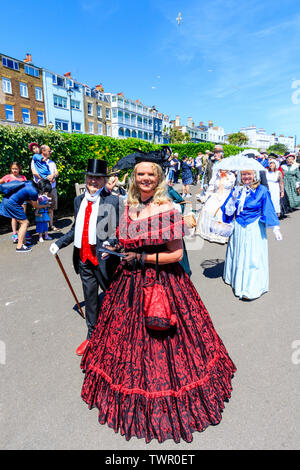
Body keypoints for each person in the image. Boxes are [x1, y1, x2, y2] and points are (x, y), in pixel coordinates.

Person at [80, 159, 236, 443]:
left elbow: (175, 255)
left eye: (151, 174)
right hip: (127, 285)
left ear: (159, 177)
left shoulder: (167, 209)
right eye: (141, 174)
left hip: (163, 283)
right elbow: (125, 237)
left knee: (165, 342)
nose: (145, 178)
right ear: (133, 177)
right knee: (124, 342)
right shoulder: (127, 206)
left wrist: (140, 258)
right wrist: (115, 247)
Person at [49, 159, 120, 356]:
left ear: (104, 180)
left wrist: (111, 243)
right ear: (86, 178)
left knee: (114, 297)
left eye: (98, 178)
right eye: (90, 177)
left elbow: (117, 231)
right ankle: (92, 336)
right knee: (90, 299)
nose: (93, 181)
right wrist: (59, 243)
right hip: (84, 259)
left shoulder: (112, 200)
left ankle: (120, 333)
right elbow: (75, 230)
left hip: (105, 260)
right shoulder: (78, 201)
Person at [221, 169, 282, 300]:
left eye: (249, 174)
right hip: (238, 226)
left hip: (254, 227)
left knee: (252, 257)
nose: (246, 177)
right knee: (238, 253)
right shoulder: (237, 189)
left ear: (254, 175)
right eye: (243, 174)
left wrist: (275, 228)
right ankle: (236, 280)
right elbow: (228, 210)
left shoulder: (262, 190)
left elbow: (268, 209)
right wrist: (232, 199)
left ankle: (251, 288)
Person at [0, 179, 52, 253]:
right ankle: (19, 246)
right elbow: (35, 206)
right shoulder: (34, 192)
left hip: (8, 200)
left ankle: (23, 242)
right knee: (25, 223)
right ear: (43, 189)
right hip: (12, 203)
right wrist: (45, 205)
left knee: (23, 222)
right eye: (45, 191)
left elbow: (25, 197)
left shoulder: (30, 183)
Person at [196, 169, 236, 244]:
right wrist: (205, 196)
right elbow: (211, 188)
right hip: (215, 195)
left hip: (226, 197)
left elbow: (233, 188)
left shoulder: (231, 176)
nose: (222, 170)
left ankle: (222, 234)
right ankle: (208, 233)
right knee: (207, 209)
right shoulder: (216, 175)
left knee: (221, 212)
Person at [31, 144, 59, 231]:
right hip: (42, 188)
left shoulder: (52, 162)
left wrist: (53, 176)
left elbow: (56, 173)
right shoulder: (35, 160)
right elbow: (34, 172)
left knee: (51, 208)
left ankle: (51, 225)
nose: (50, 152)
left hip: (52, 188)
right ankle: (42, 228)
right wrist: (46, 179)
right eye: (49, 151)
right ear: (43, 151)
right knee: (41, 207)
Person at [0, 162, 28, 243]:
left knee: (22, 217)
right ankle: (15, 234)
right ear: (11, 169)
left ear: (19, 169)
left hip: (22, 200)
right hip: (12, 201)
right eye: (13, 169)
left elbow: (26, 186)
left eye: (16, 169)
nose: (14, 170)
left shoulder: (23, 177)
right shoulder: (8, 177)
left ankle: (22, 233)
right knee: (14, 217)